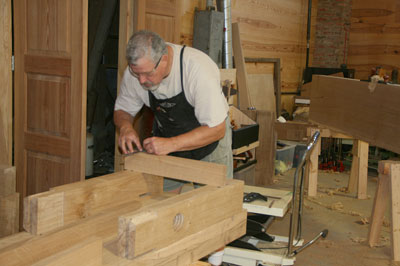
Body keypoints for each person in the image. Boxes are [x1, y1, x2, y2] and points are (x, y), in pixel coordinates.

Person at [114, 30, 233, 191]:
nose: (142, 80)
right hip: (167, 143)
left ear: (164, 59)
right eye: (137, 74)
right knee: (157, 201)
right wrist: (125, 127)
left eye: (148, 73)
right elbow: (123, 109)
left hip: (209, 145)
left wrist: (171, 144)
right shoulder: (135, 74)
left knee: (215, 204)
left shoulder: (198, 70)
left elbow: (217, 130)